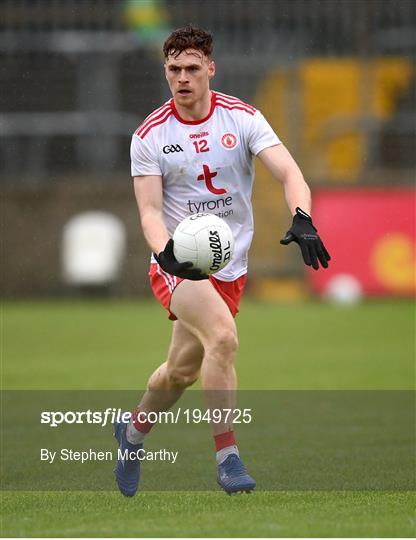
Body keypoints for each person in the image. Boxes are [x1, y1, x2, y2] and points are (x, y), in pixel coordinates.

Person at [114, 25, 330, 497]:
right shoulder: (149, 135)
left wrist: (303, 217)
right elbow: (150, 212)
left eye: (193, 68)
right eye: (174, 69)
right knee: (224, 339)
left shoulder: (242, 119)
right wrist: (165, 252)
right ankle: (227, 457)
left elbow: (290, 172)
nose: (183, 78)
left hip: (229, 266)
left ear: (211, 67)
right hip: (178, 264)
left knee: (180, 372)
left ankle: (130, 435)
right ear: (165, 72)